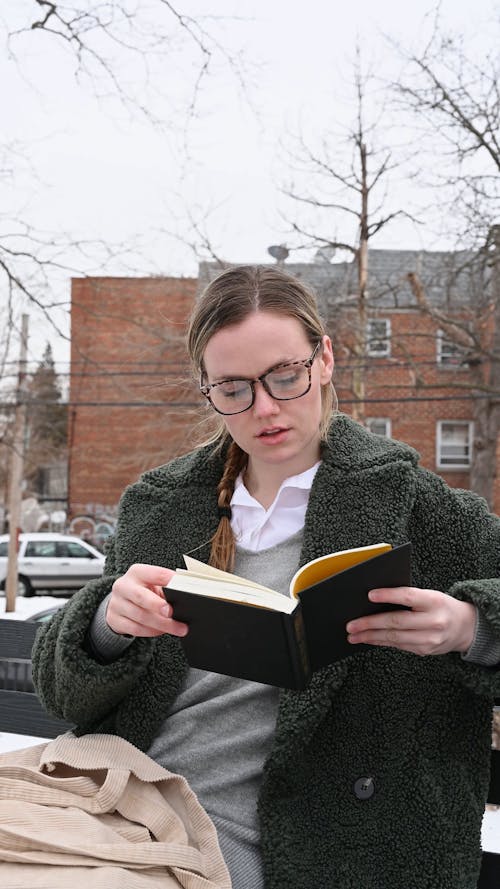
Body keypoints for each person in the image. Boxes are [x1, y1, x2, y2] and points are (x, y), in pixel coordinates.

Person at [33, 265, 500, 889]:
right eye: (233, 389)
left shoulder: (422, 509)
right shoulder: (164, 504)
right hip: (129, 803)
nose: (266, 408)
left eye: (285, 376)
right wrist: (105, 624)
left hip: (302, 841)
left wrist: (471, 628)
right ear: (207, 390)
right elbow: (61, 689)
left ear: (325, 358)